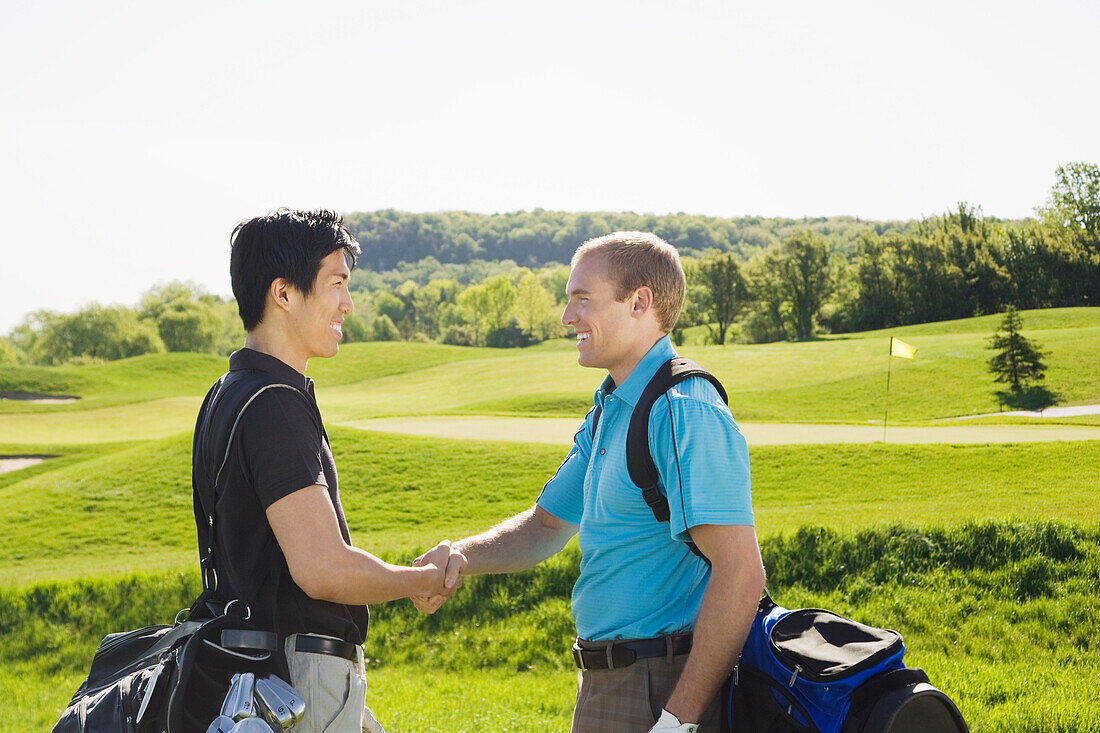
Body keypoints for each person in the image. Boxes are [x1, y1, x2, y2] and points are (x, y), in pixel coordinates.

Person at [414, 231, 766, 733]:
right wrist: (460, 557)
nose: (567, 317)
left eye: (583, 299)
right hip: (611, 682)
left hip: (660, 685)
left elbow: (741, 573)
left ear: (639, 302)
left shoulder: (683, 410)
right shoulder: (613, 408)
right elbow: (544, 525)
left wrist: (679, 721)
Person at [192, 209, 460, 733]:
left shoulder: (228, 393)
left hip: (260, 676)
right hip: (295, 681)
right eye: (336, 283)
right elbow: (322, 569)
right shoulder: (274, 404)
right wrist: (421, 580)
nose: (348, 303)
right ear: (284, 294)